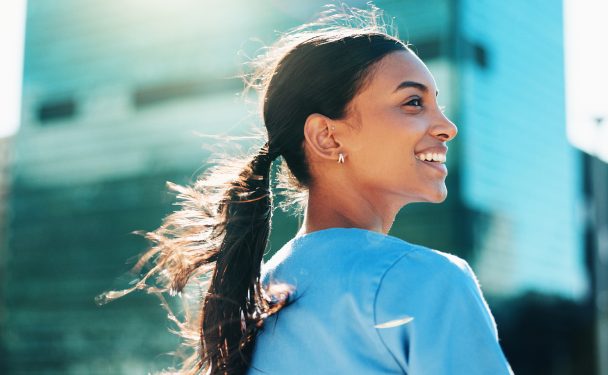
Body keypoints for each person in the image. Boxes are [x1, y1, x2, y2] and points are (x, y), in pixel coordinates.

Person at [100, 6, 514, 375]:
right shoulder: (424, 280)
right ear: (327, 137)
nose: (447, 126)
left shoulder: (254, 302)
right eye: (412, 103)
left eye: (436, 104)